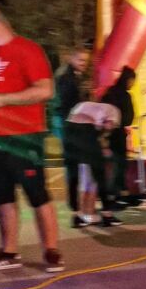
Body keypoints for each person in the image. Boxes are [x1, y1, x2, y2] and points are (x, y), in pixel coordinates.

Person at [0, 2, 63, 272]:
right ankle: (8, 251)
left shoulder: (28, 50)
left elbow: (45, 90)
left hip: (24, 137)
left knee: (38, 195)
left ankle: (51, 251)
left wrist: (5, 100)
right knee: (2, 198)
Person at [64, 102, 123, 227]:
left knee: (73, 176)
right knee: (99, 174)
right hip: (86, 132)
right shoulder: (113, 111)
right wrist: (103, 145)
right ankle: (107, 214)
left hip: (69, 131)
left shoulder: (87, 105)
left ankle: (76, 215)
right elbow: (105, 125)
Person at [55, 47, 93, 228]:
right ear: (72, 58)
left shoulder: (75, 78)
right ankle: (76, 212)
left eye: (86, 61)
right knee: (75, 172)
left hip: (74, 130)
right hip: (71, 131)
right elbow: (65, 106)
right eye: (81, 60)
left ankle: (80, 211)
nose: (84, 64)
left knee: (79, 171)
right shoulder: (67, 79)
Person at [101, 66, 136, 205]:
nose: (132, 84)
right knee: (119, 165)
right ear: (128, 80)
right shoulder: (125, 95)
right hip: (118, 134)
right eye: (133, 81)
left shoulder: (109, 92)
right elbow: (128, 117)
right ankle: (115, 194)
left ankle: (114, 193)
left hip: (107, 133)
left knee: (113, 165)